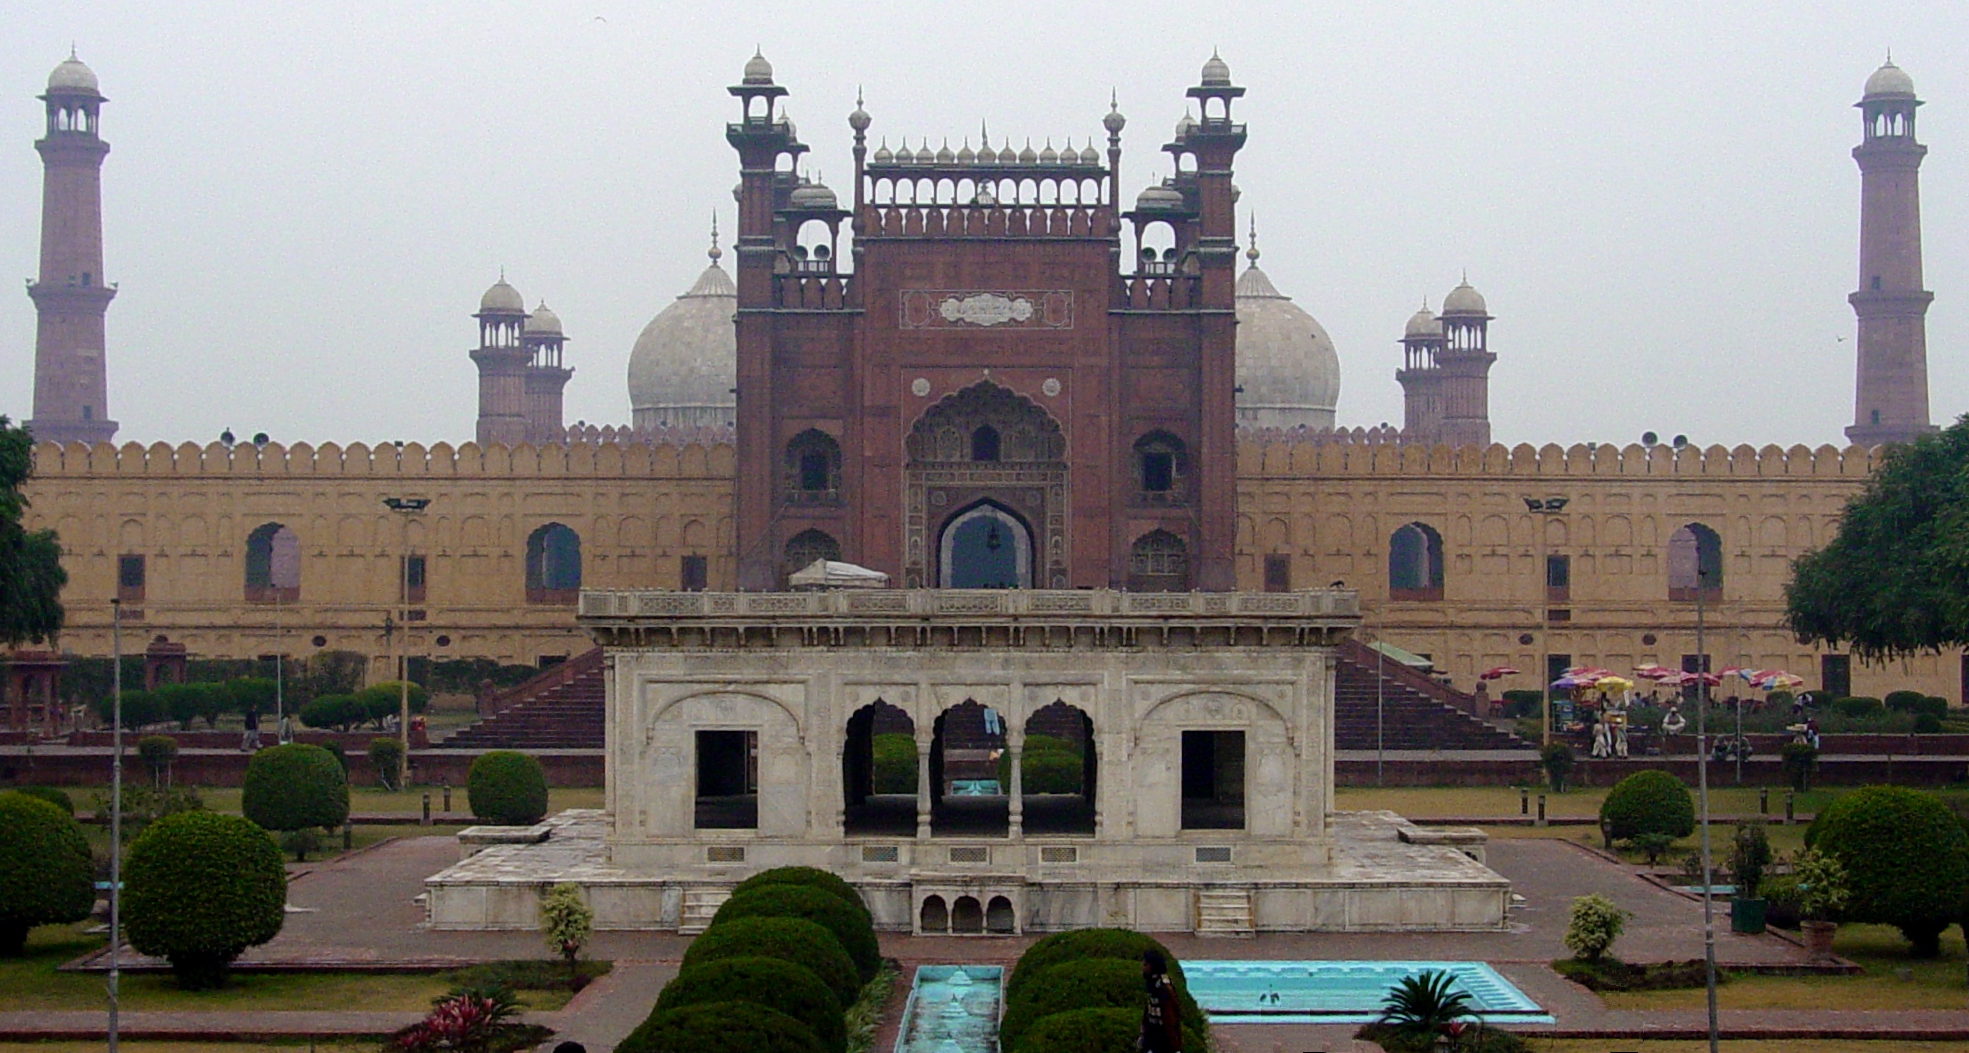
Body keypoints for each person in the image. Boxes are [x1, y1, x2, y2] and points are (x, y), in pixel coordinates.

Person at [1140, 949, 1183, 1053]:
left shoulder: (1163, 988)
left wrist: (1174, 1044)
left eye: (1146, 964)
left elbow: (1170, 1018)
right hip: (1153, 1033)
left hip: (1163, 1038)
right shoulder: (1151, 983)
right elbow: (1148, 1009)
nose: (1142, 967)